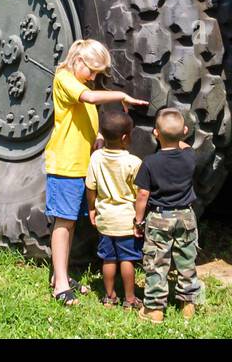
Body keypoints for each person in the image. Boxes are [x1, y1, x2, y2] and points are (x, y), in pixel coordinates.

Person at [46, 39, 148, 306]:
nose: (93, 78)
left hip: (80, 164)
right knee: (63, 223)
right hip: (65, 164)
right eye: (92, 71)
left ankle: (60, 276)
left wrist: (98, 137)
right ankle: (60, 285)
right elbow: (89, 99)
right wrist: (121, 96)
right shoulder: (65, 78)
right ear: (79, 60)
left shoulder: (80, 82)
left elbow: (83, 117)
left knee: (70, 223)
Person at [134, 107, 202, 322]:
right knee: (186, 259)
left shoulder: (150, 162)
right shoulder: (190, 157)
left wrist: (138, 220)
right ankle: (188, 305)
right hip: (186, 216)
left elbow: (143, 194)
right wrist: (179, 136)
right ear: (185, 131)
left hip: (159, 217)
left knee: (156, 262)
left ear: (156, 133)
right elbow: (186, 146)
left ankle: (154, 309)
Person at [85, 108, 143, 308]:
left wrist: (91, 209)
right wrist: (140, 219)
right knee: (127, 260)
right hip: (126, 221)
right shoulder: (133, 162)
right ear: (125, 138)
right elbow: (139, 193)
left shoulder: (96, 158)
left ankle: (109, 297)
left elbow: (90, 187)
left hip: (105, 219)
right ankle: (130, 298)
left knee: (108, 260)